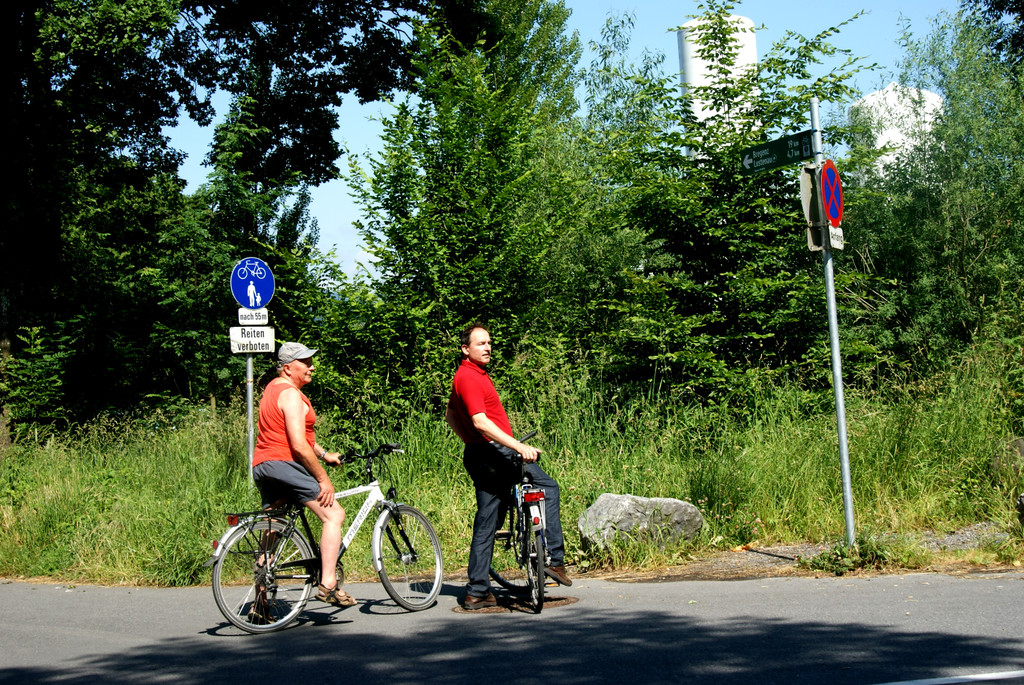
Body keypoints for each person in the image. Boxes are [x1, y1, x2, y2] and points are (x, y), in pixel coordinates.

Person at [445, 323, 571, 610]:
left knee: (488, 518)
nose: (487, 347)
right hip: (496, 454)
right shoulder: (470, 378)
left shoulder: (466, 376)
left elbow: (451, 416)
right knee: (547, 486)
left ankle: (477, 591)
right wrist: (518, 446)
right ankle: (555, 559)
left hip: (479, 453)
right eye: (480, 344)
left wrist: (472, 442)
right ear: (466, 349)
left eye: (489, 343)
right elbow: (479, 421)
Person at [251, 342, 356, 611]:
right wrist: (323, 479)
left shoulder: (272, 390)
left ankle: (260, 603)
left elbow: (298, 435)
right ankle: (329, 583)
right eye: (305, 362)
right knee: (334, 515)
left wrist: (323, 454)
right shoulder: (291, 395)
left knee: (273, 527)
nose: (311, 367)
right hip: (284, 463)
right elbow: (297, 444)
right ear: (288, 368)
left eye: (311, 361)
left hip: (264, 465)